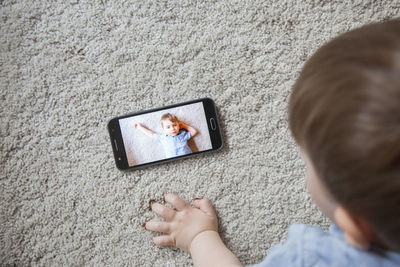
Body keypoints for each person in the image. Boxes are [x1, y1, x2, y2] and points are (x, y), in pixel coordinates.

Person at [144, 20, 400, 266]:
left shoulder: (311, 258)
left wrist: (199, 236)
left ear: (353, 225)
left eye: (307, 160)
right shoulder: (165, 135)